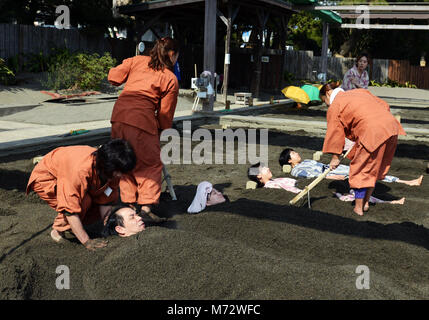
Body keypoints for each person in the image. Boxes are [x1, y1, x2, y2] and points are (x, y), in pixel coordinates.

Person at [108, 37, 179, 219]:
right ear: (172, 55)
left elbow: (113, 77)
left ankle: (129, 202)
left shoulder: (136, 60)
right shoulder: (170, 78)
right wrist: (162, 130)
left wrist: (131, 65)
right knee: (151, 163)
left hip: (119, 116)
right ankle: (146, 207)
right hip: (141, 120)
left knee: (124, 160)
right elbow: (165, 114)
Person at [26, 139, 136, 250]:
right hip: (48, 177)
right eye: (119, 172)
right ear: (108, 166)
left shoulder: (112, 171)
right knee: (83, 202)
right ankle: (59, 231)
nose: (121, 175)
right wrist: (86, 241)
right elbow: (69, 209)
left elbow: (106, 196)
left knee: (94, 206)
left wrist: (106, 226)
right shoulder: (80, 170)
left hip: (74, 175)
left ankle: (74, 227)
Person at [320, 81, 406, 216]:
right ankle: (365, 202)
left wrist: (335, 158)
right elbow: (384, 105)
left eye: (324, 101)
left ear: (328, 93)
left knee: (361, 167)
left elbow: (334, 133)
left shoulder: (335, 106)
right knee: (374, 167)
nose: (326, 104)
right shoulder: (359, 92)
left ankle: (358, 208)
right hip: (391, 126)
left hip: (372, 130)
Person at [247, 163, 402, 205]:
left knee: (348, 190)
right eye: (263, 168)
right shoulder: (271, 186)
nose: (268, 168)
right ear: (259, 176)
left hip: (308, 185)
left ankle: (385, 200)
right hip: (307, 189)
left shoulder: (276, 180)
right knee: (346, 196)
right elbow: (291, 190)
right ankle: (390, 202)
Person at [279, 148, 423, 186]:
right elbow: (312, 177)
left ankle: (403, 181)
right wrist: (331, 176)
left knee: (367, 170)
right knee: (365, 173)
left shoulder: (305, 162)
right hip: (330, 173)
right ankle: (406, 182)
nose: (297, 153)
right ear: (289, 161)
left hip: (333, 169)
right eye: (293, 153)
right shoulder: (297, 170)